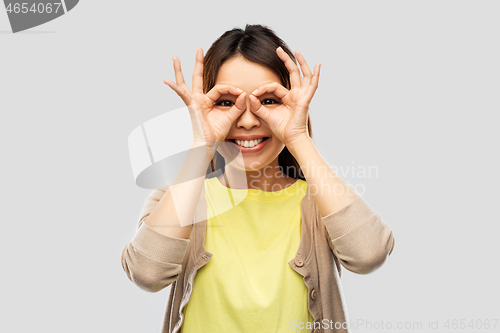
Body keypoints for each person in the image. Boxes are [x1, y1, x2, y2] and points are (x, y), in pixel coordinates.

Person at [121, 24, 395, 333]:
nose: (249, 120)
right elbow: (146, 274)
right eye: (226, 102)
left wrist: (298, 136)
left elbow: (370, 255)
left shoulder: (320, 201)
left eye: (268, 101)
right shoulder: (179, 199)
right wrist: (202, 144)